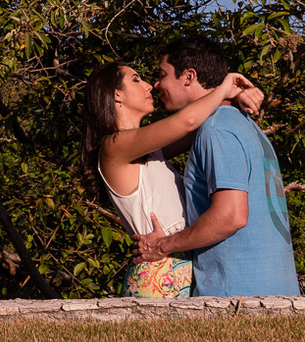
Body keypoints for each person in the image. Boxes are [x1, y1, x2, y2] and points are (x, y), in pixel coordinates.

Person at [133, 36, 299, 297]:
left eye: (162, 75)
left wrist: (162, 246)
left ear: (189, 76)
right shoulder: (244, 125)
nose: (156, 84)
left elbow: (230, 216)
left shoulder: (217, 129)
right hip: (275, 291)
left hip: (237, 295)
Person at [82, 61, 260, 297]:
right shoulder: (113, 147)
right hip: (157, 273)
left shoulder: (150, 152)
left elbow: (202, 124)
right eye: (136, 79)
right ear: (117, 95)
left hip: (179, 269)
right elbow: (187, 121)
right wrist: (225, 86)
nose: (149, 86)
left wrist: (236, 98)